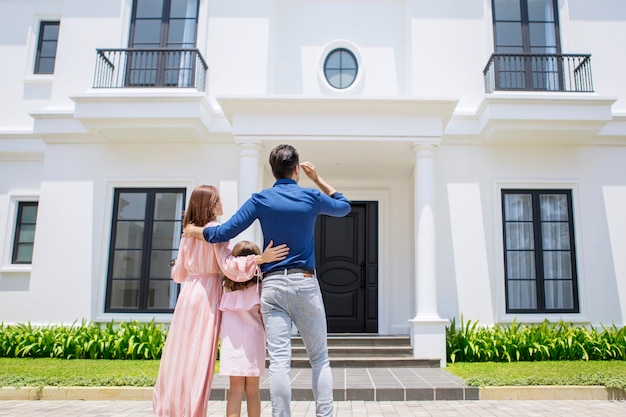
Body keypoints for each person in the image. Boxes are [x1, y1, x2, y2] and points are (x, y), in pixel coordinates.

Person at [183, 144, 351, 417]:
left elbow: (222, 232)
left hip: (272, 286)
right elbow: (343, 207)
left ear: (273, 172)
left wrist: (193, 230)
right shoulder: (310, 196)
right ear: (297, 169)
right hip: (305, 283)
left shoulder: (260, 200)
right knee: (319, 358)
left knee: (280, 362)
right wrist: (318, 180)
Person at [152, 185, 288, 417]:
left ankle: (174, 409)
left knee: (181, 356)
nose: (221, 204)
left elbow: (179, 275)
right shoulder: (215, 230)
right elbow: (228, 266)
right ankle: (192, 410)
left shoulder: (188, 233)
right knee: (200, 359)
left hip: (188, 295)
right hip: (208, 293)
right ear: (210, 205)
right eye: (218, 200)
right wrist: (259, 259)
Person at [219, 240, 266, 417]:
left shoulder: (224, 288)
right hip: (253, 342)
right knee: (253, 390)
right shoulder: (259, 288)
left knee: (235, 390)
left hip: (232, 344)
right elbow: (263, 316)